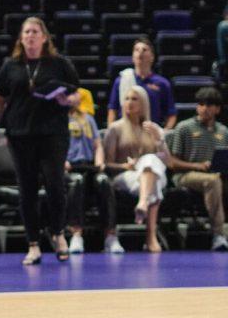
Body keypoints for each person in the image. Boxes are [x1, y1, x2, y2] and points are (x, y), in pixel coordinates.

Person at [0, 17, 82, 265]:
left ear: (44, 37)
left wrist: (67, 101)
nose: (30, 35)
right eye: (26, 32)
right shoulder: (11, 66)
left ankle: (59, 235)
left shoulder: (59, 64)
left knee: (54, 184)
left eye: (35, 31)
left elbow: (77, 95)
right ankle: (33, 245)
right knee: (27, 189)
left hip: (52, 133)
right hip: (20, 134)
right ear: (21, 38)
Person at [102, 86, 171, 253]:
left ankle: (142, 203)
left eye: (134, 99)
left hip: (152, 175)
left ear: (144, 103)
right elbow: (107, 164)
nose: (129, 103)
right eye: (126, 99)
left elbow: (169, 163)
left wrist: (159, 140)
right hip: (125, 176)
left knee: (150, 160)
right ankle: (150, 237)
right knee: (152, 183)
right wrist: (125, 166)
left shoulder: (153, 128)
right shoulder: (115, 129)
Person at [167, 87, 228, 251]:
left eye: (209, 105)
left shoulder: (223, 131)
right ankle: (219, 235)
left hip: (215, 175)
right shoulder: (184, 127)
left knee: (215, 180)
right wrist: (197, 166)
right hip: (184, 175)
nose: (205, 108)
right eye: (201, 104)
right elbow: (172, 162)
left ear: (217, 109)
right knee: (213, 181)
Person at [63, 89, 117, 254]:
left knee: (104, 181)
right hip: (68, 167)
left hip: (89, 166)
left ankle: (110, 236)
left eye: (76, 94)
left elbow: (98, 145)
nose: (75, 96)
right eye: (70, 94)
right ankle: (77, 234)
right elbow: (53, 147)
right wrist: (61, 161)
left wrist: (99, 161)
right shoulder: (56, 119)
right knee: (77, 181)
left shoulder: (89, 119)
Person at [107, 37, 176, 130]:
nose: (140, 52)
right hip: (126, 133)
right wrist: (111, 131)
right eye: (136, 50)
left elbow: (171, 114)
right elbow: (113, 110)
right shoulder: (122, 80)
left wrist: (164, 134)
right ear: (132, 57)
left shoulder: (162, 83)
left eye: (144, 50)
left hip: (151, 134)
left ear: (152, 57)